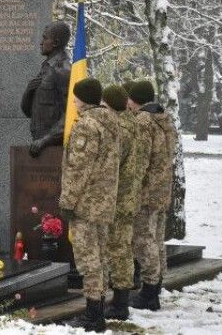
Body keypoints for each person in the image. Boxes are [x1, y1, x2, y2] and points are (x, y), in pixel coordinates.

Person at [59, 78, 120, 332]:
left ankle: (93, 316)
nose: (73, 101)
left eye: (76, 97)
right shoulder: (111, 122)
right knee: (101, 257)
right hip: (104, 202)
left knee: (88, 260)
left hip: (86, 204)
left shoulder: (87, 126)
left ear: (83, 98)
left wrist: (67, 201)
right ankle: (98, 310)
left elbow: (78, 169)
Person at [127, 80, 178, 311]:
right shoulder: (163, 119)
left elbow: (140, 161)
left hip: (146, 192)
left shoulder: (143, 121)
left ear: (134, 99)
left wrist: (130, 188)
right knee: (156, 240)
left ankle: (149, 292)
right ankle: (155, 286)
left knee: (143, 240)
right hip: (162, 189)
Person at [101, 84, 149, 320]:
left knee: (118, 250)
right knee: (123, 249)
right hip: (131, 195)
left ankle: (119, 303)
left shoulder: (119, 129)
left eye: (103, 106)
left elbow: (112, 166)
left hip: (119, 198)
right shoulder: (134, 124)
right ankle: (120, 299)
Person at [21, 22, 71, 156]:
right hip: (39, 143)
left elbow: (70, 113)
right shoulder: (46, 68)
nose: (41, 42)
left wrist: (46, 140)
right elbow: (29, 111)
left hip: (53, 148)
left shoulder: (63, 70)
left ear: (55, 42)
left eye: (45, 38)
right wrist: (29, 91)